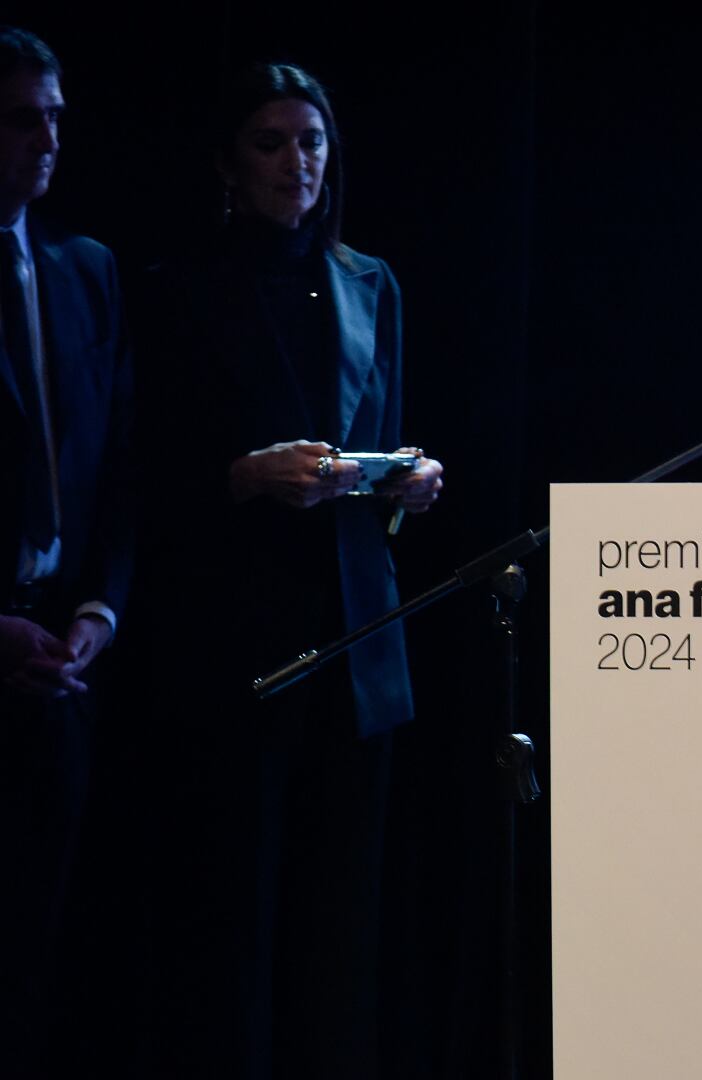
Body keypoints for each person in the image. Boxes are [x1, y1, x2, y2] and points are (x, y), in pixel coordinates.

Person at [135, 61, 441, 1078]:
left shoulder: (370, 281)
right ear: (230, 161)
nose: (296, 164)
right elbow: (141, 473)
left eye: (310, 143)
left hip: (357, 635)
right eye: (271, 143)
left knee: (340, 918)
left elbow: (382, 439)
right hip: (232, 634)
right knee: (235, 919)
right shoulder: (177, 287)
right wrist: (242, 473)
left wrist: (405, 480)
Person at [0, 25, 134, 1078]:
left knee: (38, 959)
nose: (48, 136)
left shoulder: (82, 271)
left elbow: (120, 464)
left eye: (57, 114)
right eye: (22, 116)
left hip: (62, 659)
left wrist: (100, 609)